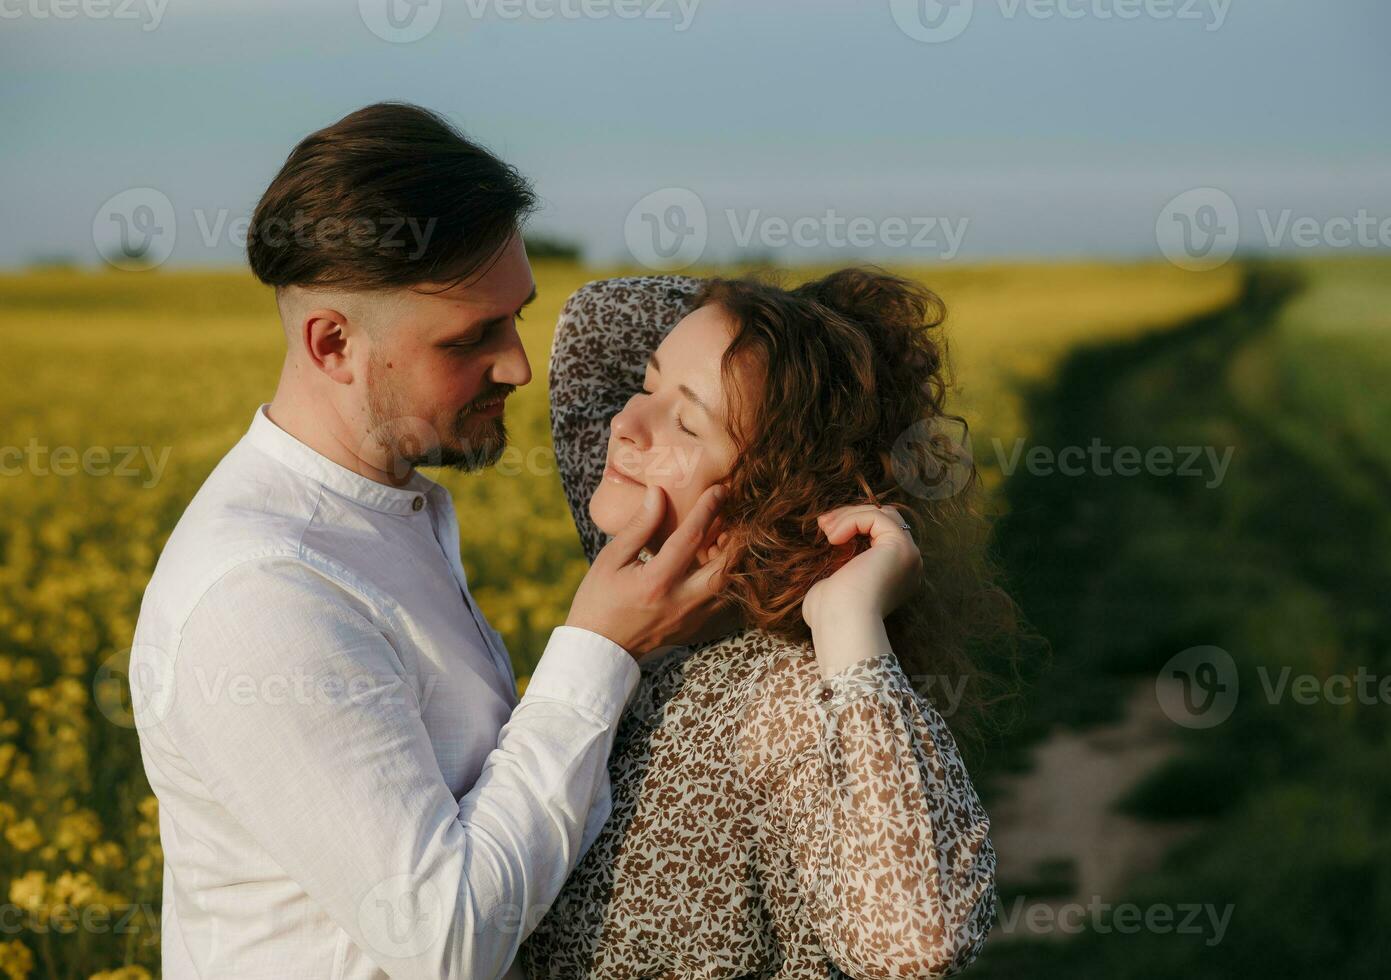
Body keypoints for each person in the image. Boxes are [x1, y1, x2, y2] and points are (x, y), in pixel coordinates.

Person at [128, 103, 732, 979]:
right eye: (472, 337)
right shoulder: (262, 594)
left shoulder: (382, 516)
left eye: (516, 316)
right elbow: (446, 940)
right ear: (333, 344)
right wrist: (600, 648)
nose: (520, 365)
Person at [519, 269, 1007, 978]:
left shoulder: (782, 701)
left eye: (686, 423)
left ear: (772, 501)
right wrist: (790, 319)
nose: (624, 424)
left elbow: (914, 944)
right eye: (647, 384)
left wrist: (847, 615)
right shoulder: (646, 627)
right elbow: (598, 323)